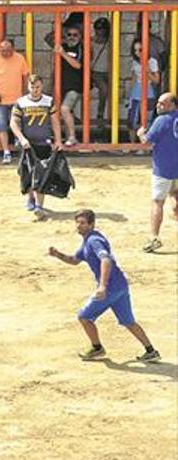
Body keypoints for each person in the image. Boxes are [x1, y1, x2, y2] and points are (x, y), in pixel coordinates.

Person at [47, 209, 161, 363]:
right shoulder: (88, 241)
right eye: (77, 223)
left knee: (84, 317)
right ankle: (151, 351)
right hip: (120, 286)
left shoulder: (94, 240)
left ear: (91, 224)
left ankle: (97, 348)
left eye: (82, 223)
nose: (78, 226)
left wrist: (102, 286)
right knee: (129, 322)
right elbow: (74, 260)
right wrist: (58, 254)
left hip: (111, 288)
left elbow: (106, 260)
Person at [10, 74, 64, 220]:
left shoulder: (48, 101)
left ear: (42, 86)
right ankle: (31, 198)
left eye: (38, 87)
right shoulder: (21, 102)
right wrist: (21, 139)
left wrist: (58, 140)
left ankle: (39, 205)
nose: (35, 90)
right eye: (32, 87)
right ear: (28, 87)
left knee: (42, 174)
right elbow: (13, 123)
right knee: (27, 172)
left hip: (43, 143)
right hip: (27, 145)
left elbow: (55, 122)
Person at [137, 93, 178, 253]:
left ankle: (154, 237)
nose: (159, 106)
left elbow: (147, 142)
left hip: (163, 168)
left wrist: (141, 133)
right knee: (175, 195)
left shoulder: (162, 121)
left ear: (173, 105)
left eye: (163, 104)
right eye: (159, 103)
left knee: (157, 202)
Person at [0, 39, 30, 164]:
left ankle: (18, 147)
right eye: (2, 50)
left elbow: (26, 76)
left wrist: (26, 93)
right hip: (0, 100)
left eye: (8, 50)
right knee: (1, 126)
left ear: (13, 49)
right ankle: (6, 151)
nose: (5, 53)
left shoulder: (20, 59)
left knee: (17, 124)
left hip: (17, 99)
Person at [46, 25, 83, 146]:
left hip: (75, 86)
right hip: (60, 85)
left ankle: (72, 137)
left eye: (75, 35)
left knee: (65, 109)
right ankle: (65, 138)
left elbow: (77, 65)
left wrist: (63, 53)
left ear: (80, 37)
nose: (72, 37)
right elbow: (47, 38)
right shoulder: (62, 47)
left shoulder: (81, 48)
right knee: (59, 111)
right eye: (69, 35)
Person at [127, 39, 160, 145]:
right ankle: (133, 144)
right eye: (135, 50)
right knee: (132, 119)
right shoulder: (134, 61)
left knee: (146, 120)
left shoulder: (152, 61)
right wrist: (128, 93)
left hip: (148, 91)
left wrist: (147, 71)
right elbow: (133, 78)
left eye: (140, 50)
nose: (137, 53)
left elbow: (156, 80)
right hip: (135, 92)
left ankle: (144, 145)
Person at [90, 18, 111, 132]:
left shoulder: (110, 41)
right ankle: (100, 116)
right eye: (97, 28)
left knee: (108, 92)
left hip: (108, 72)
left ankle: (106, 116)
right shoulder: (91, 41)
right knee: (104, 89)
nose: (99, 31)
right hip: (95, 71)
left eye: (102, 29)